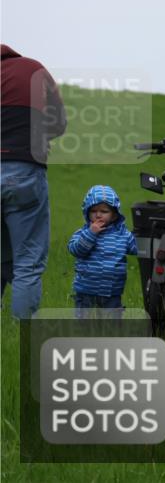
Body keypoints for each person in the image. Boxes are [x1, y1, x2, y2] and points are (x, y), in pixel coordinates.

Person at [1, 44, 66, 319]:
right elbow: (59, 123)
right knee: (27, 262)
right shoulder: (33, 69)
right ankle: (22, 333)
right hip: (24, 170)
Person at [67, 185, 137, 317]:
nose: (98, 215)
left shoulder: (123, 235)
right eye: (93, 211)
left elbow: (138, 248)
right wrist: (91, 234)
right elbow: (76, 250)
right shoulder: (82, 233)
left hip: (112, 291)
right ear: (87, 212)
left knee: (112, 323)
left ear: (114, 215)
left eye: (104, 211)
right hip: (86, 290)